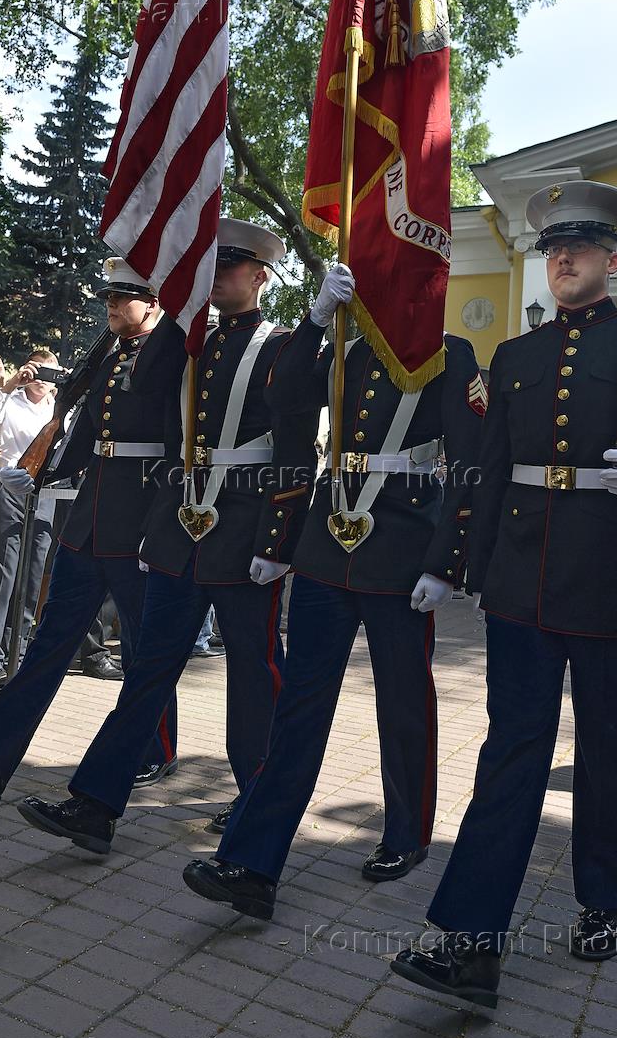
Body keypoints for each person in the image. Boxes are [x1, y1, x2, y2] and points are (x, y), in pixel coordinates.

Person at [389, 179, 617, 1009]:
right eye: (553, 248)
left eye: (579, 247)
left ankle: (604, 899)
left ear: (612, 259)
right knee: (511, 750)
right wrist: (449, 561)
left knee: (608, 747)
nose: (563, 258)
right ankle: (470, 941)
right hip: (521, 581)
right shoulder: (515, 358)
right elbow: (482, 472)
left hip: (613, 579)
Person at [181, 262, 484, 916]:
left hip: (403, 546)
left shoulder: (448, 354)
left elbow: (470, 464)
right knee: (299, 706)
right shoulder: (343, 351)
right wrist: (314, 321)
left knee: (403, 700)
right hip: (327, 545)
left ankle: (406, 834)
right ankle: (253, 862)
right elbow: (285, 400)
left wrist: (447, 564)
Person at [5, 219, 316, 854]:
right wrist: (154, 529)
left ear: (260, 276)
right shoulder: (190, 342)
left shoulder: (282, 346)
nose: (216, 277)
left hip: (243, 531)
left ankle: (255, 800)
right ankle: (96, 804)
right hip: (181, 526)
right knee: (148, 669)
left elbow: (294, 453)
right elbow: (166, 428)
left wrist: (277, 543)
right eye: (210, 267)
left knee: (255, 674)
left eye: (228, 267)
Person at [0, 258, 182, 798]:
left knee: (143, 647)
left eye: (123, 297)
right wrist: (44, 470)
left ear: (154, 303)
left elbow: (176, 441)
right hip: (90, 519)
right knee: (47, 644)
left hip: (139, 519)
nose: (111, 304)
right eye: (108, 296)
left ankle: (154, 750)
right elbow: (89, 430)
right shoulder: (110, 353)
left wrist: (161, 523)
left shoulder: (173, 351)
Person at [0, 351, 66, 696]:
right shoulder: (10, 400)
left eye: (50, 373)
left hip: (47, 493)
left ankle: (18, 653)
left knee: (33, 574)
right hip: (10, 487)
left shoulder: (62, 408)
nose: (42, 379)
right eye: (37, 371)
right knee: (2, 576)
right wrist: (9, 386)